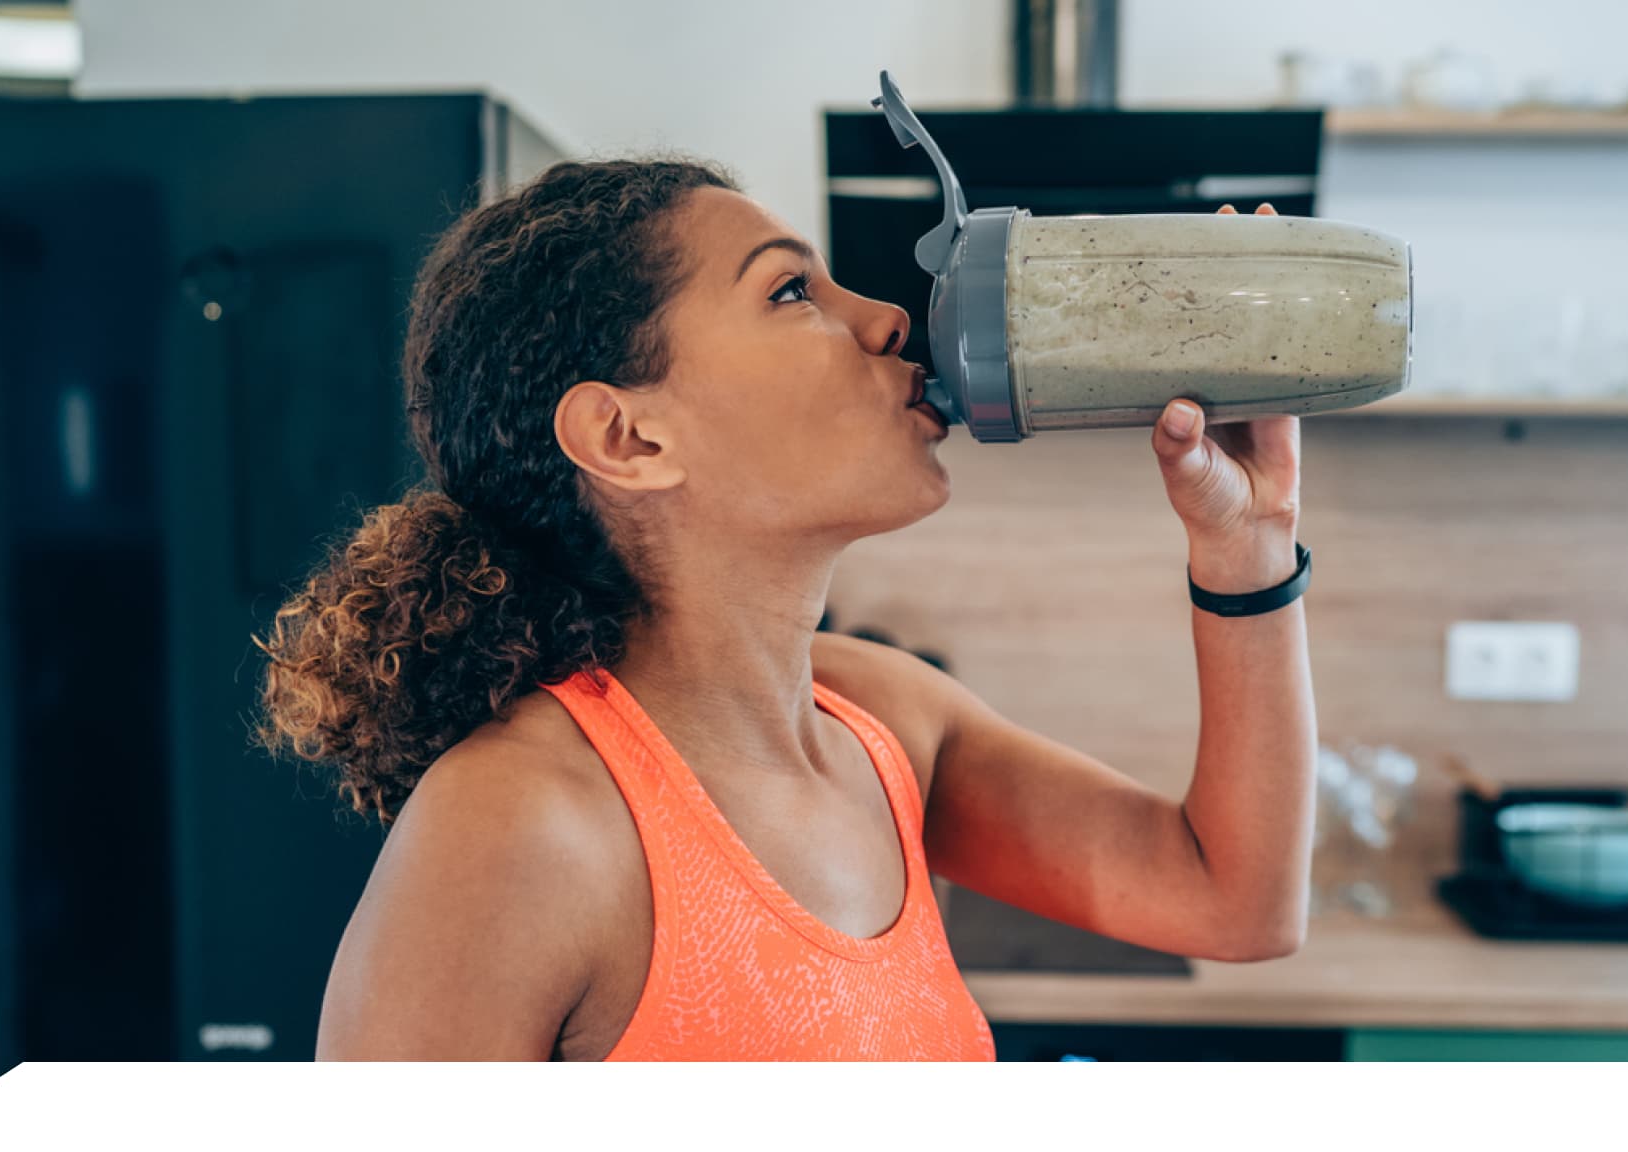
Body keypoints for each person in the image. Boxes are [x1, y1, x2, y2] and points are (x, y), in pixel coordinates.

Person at [255, 158, 1315, 1061]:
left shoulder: (885, 724)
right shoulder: (522, 824)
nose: (888, 316)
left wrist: (1248, 544)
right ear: (629, 438)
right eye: (789, 293)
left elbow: (1236, 902)